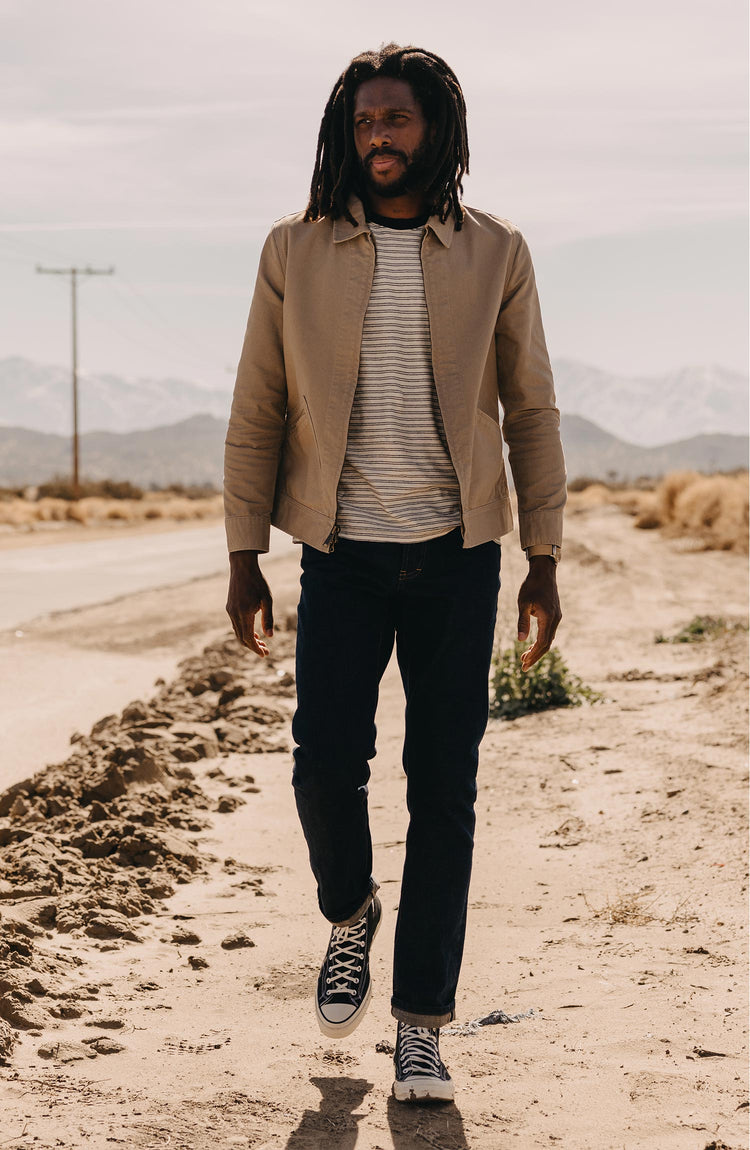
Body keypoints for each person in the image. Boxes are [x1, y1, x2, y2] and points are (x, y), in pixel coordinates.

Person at [224, 43, 566, 1104]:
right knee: (324, 763)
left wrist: (542, 558)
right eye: (364, 121)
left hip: (459, 559)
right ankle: (350, 911)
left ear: (437, 130)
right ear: (345, 132)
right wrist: (244, 554)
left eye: (398, 120)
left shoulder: (494, 250)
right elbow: (258, 406)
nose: (379, 137)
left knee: (445, 794)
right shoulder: (297, 249)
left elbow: (533, 410)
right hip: (343, 556)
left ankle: (421, 1025)